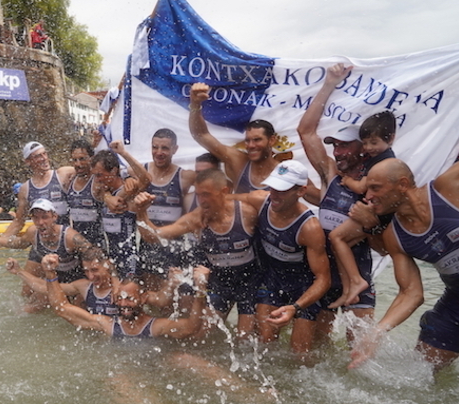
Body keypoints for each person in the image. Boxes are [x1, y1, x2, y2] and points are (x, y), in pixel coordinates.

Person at [350, 148, 459, 373]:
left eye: (375, 188)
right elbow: (410, 293)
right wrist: (377, 332)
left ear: (402, 184)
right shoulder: (394, 236)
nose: (368, 196)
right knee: (423, 371)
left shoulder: (448, 187)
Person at [297, 63, 379, 341]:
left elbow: (388, 246)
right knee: (317, 352)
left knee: (360, 357)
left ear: (363, 148)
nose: (338, 151)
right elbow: (307, 132)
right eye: (335, 145)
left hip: (359, 276)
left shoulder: (376, 184)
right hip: (324, 276)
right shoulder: (330, 174)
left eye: (345, 145)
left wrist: (372, 225)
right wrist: (330, 82)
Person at [135, 168, 260, 340]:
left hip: (249, 281)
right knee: (199, 338)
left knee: (245, 340)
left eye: (207, 195)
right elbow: (153, 236)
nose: (202, 200)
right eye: (199, 195)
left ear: (224, 191)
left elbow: (273, 201)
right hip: (220, 281)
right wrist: (141, 212)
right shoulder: (196, 218)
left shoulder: (247, 213)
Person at [231, 160, 331, 353]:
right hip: (271, 280)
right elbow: (223, 199)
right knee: (265, 345)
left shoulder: (310, 228)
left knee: (300, 355)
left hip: (302, 287)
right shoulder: (260, 200)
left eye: (282, 190)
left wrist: (295, 307)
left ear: (301, 191)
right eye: (273, 187)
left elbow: (323, 279)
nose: (274, 195)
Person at [41, 253, 212, 339]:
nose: (123, 303)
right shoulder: (107, 324)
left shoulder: (156, 326)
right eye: (119, 298)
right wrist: (50, 273)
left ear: (143, 298)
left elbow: (191, 327)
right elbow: (61, 308)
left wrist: (200, 290)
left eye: (129, 299)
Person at [328, 110, 397, 307]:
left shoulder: (381, 162)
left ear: (390, 139)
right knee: (343, 244)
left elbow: (360, 187)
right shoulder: (380, 157)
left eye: (374, 143)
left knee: (336, 237)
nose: (369, 148)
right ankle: (349, 287)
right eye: (365, 143)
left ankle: (356, 282)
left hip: (375, 214)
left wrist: (348, 180)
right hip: (378, 213)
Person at [0, 198, 92, 311]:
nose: (40, 222)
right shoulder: (33, 232)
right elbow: (18, 243)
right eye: (36, 218)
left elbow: (95, 256)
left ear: (54, 217)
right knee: (32, 306)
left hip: (77, 279)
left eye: (45, 217)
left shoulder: (70, 237)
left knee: (77, 308)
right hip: (56, 275)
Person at [188, 82, 279, 194]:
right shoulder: (239, 161)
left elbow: (306, 191)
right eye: (247, 140)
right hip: (241, 211)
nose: (250, 146)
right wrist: (195, 104)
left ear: (272, 140)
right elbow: (201, 135)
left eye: (257, 140)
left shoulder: (284, 170)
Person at [138, 128, 196, 291]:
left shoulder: (185, 176)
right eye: (155, 147)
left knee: (171, 296)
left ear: (175, 150)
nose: (159, 152)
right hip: (147, 243)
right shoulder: (139, 172)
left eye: (165, 148)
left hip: (174, 246)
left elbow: (213, 183)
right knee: (149, 295)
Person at [6, 247, 119, 316]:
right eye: (86, 271)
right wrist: (18, 271)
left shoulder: (123, 289)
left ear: (107, 265)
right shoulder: (84, 286)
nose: (90, 276)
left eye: (94, 270)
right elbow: (44, 287)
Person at [91, 147, 146, 278]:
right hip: (109, 259)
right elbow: (97, 192)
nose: (97, 179)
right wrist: (107, 196)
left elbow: (145, 179)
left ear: (114, 171)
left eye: (100, 175)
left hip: (129, 260)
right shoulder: (102, 191)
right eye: (95, 175)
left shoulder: (127, 191)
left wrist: (124, 154)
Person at [2, 141, 74, 238]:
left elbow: (91, 169)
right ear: (28, 161)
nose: (44, 158)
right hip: (43, 243)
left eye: (44, 154)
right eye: (38, 156)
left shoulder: (62, 174)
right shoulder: (25, 189)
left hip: (64, 241)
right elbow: (19, 222)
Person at [66, 139, 106, 248]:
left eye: (82, 159)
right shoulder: (69, 180)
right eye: (75, 160)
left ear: (91, 158)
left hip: (96, 245)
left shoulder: (98, 182)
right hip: (76, 245)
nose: (78, 164)